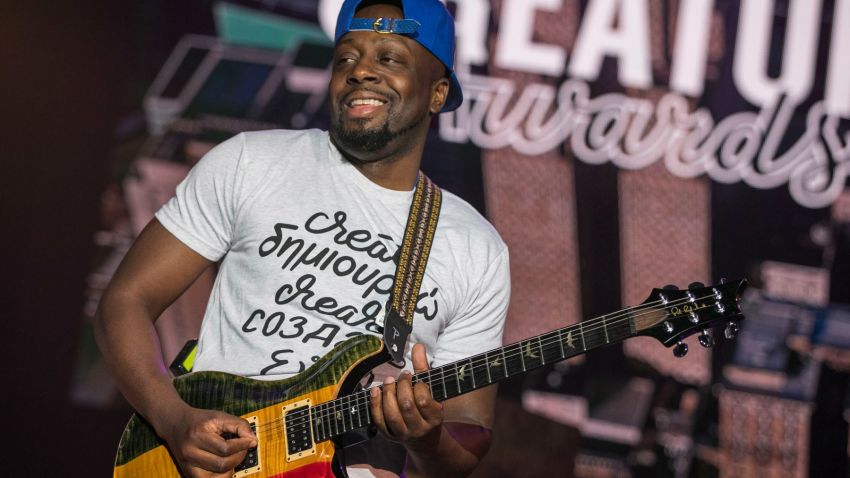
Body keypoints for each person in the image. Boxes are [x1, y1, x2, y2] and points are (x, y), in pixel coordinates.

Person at [94, 0, 511, 476]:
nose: (361, 72)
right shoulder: (251, 162)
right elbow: (125, 300)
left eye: (390, 58)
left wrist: (427, 438)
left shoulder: (476, 247)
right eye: (346, 58)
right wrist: (173, 419)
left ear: (437, 94)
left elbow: (468, 435)